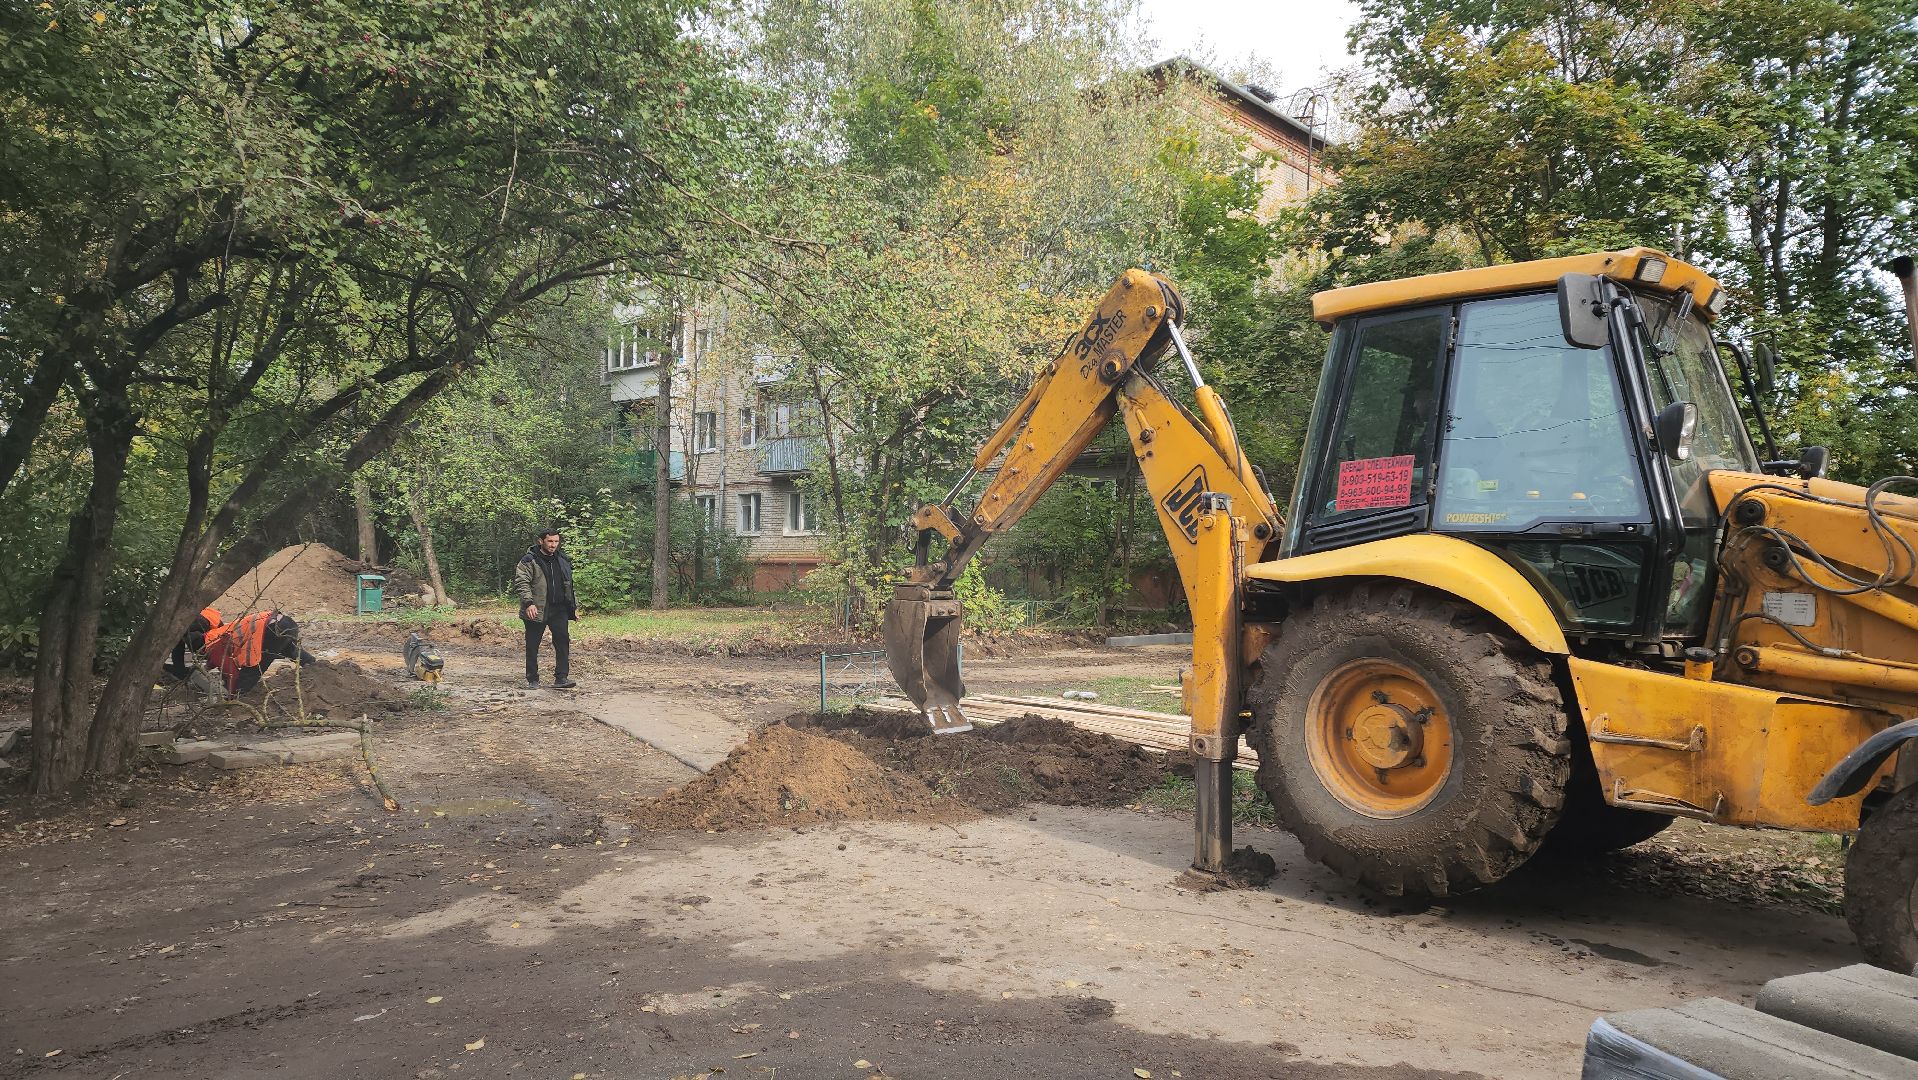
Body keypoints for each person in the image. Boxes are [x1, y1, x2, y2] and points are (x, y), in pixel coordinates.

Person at [514, 528, 577, 689]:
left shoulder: (562, 559)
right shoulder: (529, 560)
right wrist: (529, 603)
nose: (553, 545)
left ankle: (561, 678)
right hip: (537, 608)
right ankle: (532, 679)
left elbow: (569, 584)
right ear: (541, 541)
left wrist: (573, 607)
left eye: (556, 541)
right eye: (550, 541)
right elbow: (522, 582)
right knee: (533, 644)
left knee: (563, 642)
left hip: (559, 609)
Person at [203, 610, 315, 695]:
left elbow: (232, 673)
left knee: (255, 666)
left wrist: (231, 693)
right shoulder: (218, 634)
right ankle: (315, 667)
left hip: (271, 628)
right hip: (285, 622)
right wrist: (206, 668)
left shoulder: (212, 645)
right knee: (288, 648)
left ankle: (239, 695)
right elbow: (217, 660)